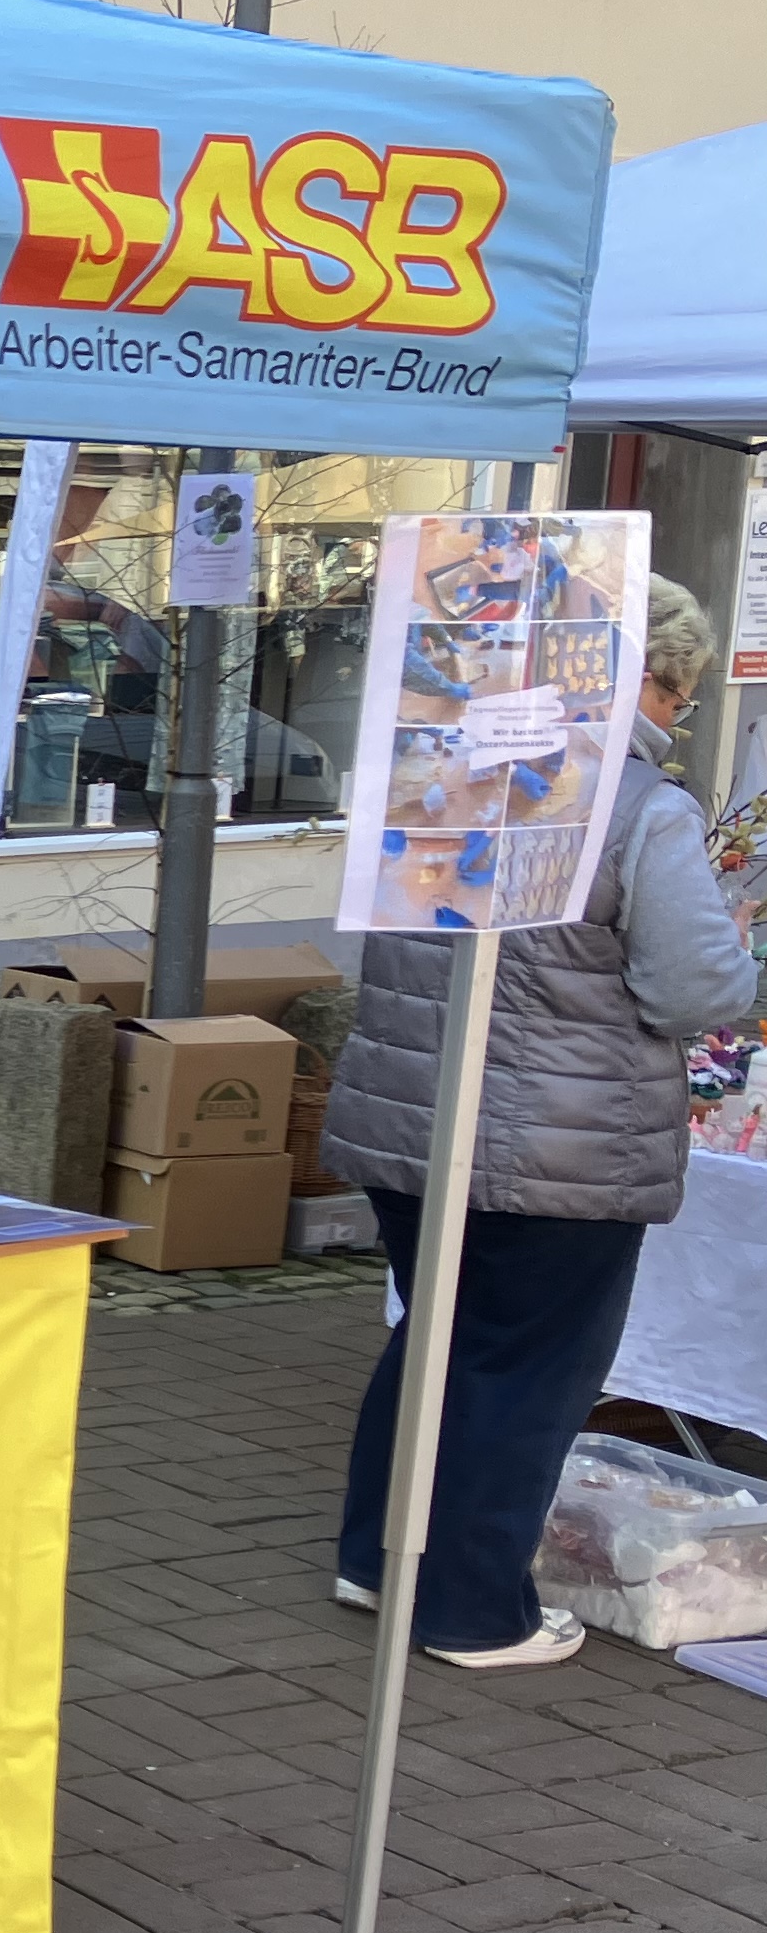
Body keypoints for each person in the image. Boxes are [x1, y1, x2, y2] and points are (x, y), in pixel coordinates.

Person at [321, 576, 751, 1668]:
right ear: (644, 676)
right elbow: (696, 988)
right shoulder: (641, 804)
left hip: (412, 1119)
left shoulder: (441, 775)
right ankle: (473, 1611)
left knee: (440, 1341)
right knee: (526, 1368)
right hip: (563, 1138)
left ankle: (376, 1561)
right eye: (680, 690)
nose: (678, 713)